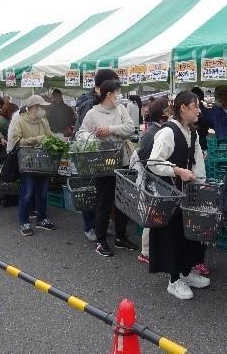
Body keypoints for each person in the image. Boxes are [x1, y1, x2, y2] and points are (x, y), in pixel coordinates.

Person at [147, 91, 209, 300]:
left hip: (187, 192)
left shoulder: (192, 132)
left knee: (189, 233)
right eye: (195, 107)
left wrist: (201, 183)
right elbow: (153, 162)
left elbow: (198, 161)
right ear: (183, 108)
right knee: (171, 235)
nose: (199, 111)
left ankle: (186, 271)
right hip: (169, 194)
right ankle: (174, 280)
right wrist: (177, 170)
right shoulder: (168, 132)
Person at [81, 79, 137, 256]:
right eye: (117, 92)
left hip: (122, 160)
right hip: (102, 162)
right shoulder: (92, 113)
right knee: (104, 202)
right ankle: (101, 241)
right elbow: (81, 133)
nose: (119, 96)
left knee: (123, 201)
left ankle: (121, 237)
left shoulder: (120, 109)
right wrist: (94, 135)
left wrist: (110, 129)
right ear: (109, 94)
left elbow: (130, 128)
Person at [73, 68, 119, 242]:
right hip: (88, 151)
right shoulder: (89, 104)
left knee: (99, 190)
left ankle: (99, 224)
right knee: (90, 189)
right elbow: (87, 132)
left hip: (99, 151)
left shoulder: (100, 101)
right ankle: (89, 226)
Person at [129, 98, 171, 264]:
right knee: (152, 215)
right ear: (162, 115)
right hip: (152, 180)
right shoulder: (153, 133)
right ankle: (146, 251)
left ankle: (150, 249)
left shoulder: (156, 130)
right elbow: (147, 159)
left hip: (153, 179)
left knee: (154, 215)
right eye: (168, 110)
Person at [10, 95, 56, 236]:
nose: (44, 110)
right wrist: (35, 139)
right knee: (27, 193)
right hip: (27, 163)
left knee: (42, 193)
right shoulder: (20, 122)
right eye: (42, 107)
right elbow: (16, 141)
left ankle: (42, 219)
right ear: (34, 108)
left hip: (43, 162)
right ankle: (24, 222)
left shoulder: (43, 121)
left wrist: (59, 138)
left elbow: (50, 136)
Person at [191, 86, 210, 152]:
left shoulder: (204, 110)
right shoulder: (190, 109)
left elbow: (207, 123)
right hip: (194, 139)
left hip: (201, 138)